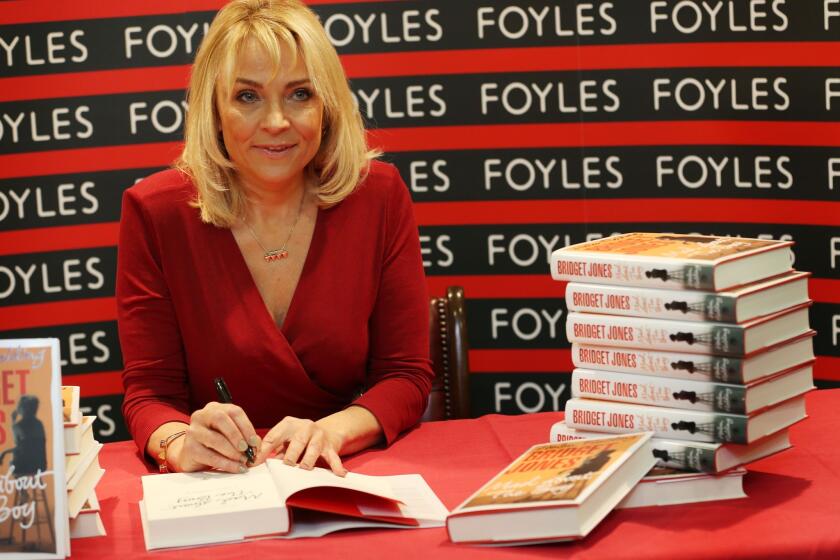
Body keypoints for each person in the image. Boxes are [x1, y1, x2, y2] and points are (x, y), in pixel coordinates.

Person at [116, 0, 433, 477]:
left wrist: (332, 431)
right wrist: (182, 444)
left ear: (327, 105)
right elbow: (150, 395)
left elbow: (405, 376)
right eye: (248, 97)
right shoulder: (156, 212)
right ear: (214, 109)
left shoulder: (380, 196)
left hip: (343, 473)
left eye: (299, 94)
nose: (277, 122)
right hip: (219, 489)